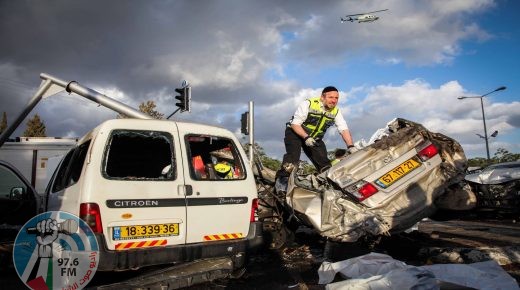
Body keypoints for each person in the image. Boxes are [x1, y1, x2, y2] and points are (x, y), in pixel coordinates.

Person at [277, 86, 356, 178]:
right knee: (292, 160)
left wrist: (350, 146)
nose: (334, 101)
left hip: (315, 138)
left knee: (325, 166)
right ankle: (282, 182)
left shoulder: (336, 111)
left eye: (336, 98)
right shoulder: (308, 103)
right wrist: (306, 137)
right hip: (295, 133)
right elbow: (295, 124)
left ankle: (328, 186)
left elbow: (343, 129)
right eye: (331, 97)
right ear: (322, 97)